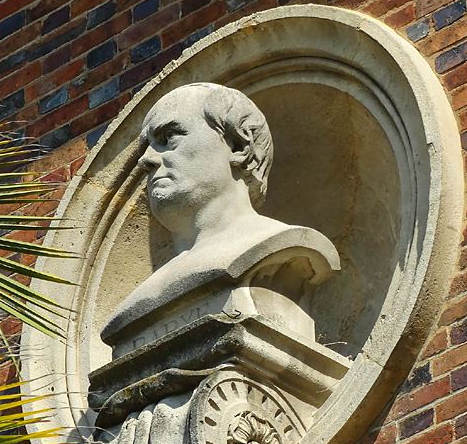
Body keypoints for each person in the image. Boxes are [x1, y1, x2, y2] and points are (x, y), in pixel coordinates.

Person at [101, 82, 338, 349]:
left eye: (169, 138)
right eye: (147, 146)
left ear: (238, 146)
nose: (146, 160)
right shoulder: (141, 298)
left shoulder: (280, 246)